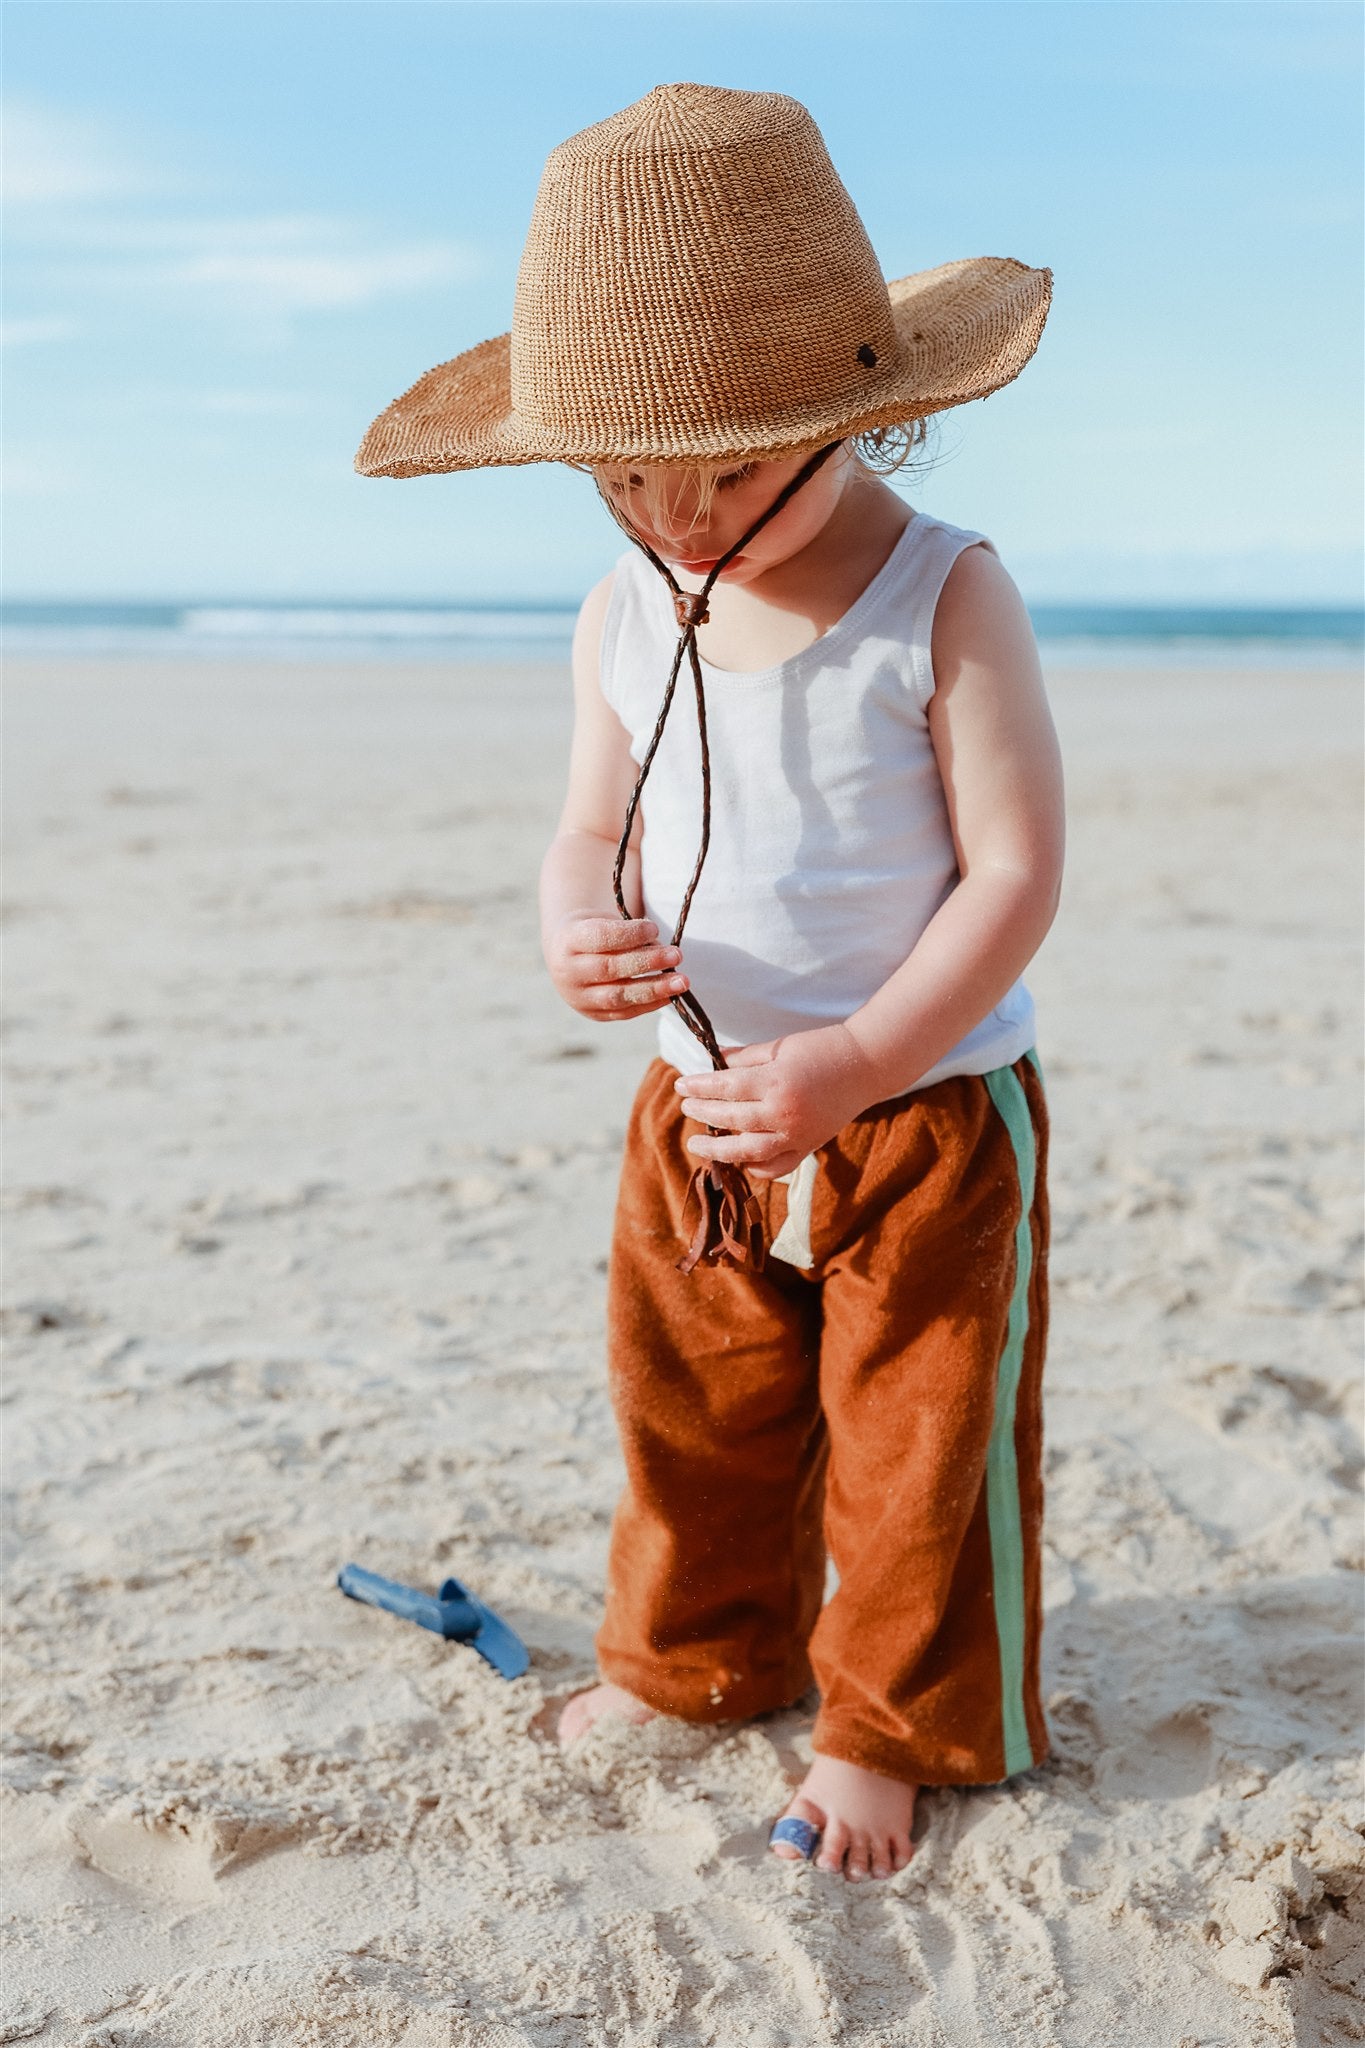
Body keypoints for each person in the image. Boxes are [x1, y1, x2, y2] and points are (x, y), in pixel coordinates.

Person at [355, 81, 1063, 1885]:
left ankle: (886, 1727)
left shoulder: (941, 595)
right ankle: (696, 1660)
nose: (676, 519)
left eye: (733, 472)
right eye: (624, 479)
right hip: (700, 1105)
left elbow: (1013, 875)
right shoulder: (614, 607)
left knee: (917, 1443)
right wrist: (569, 913)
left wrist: (859, 1055)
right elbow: (589, 824)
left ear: (856, 419)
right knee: (692, 1421)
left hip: (918, 1109)